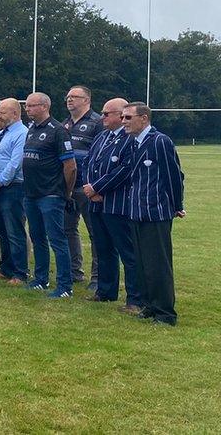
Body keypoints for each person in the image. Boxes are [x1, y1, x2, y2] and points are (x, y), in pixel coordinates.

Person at [121, 102, 184, 325]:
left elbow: (173, 175)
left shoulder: (159, 141)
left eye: (128, 118)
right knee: (142, 262)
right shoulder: (133, 143)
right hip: (136, 211)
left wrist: (177, 204)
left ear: (144, 118)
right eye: (123, 117)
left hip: (156, 211)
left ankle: (165, 312)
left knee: (158, 263)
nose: (124, 122)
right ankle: (149, 304)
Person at [82, 98, 142, 313]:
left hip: (117, 203)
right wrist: (89, 187)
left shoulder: (130, 139)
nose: (103, 117)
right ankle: (105, 291)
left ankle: (135, 299)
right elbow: (87, 162)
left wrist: (98, 187)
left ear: (121, 115)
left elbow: (125, 170)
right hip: (96, 204)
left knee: (128, 252)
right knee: (103, 248)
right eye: (103, 113)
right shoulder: (101, 137)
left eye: (107, 113)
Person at [22, 92, 77, 299]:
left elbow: (70, 166)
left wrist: (65, 192)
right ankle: (40, 279)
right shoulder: (31, 130)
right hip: (31, 193)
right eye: (26, 106)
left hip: (51, 194)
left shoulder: (58, 131)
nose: (27, 109)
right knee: (37, 237)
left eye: (31, 106)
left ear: (44, 106)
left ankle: (65, 286)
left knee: (57, 239)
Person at [0, 98, 30, 285]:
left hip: (13, 188)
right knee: (2, 230)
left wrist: (0, 182)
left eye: (2, 112)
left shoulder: (22, 133)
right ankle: (6, 267)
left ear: (15, 114)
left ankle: (20, 272)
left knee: (14, 230)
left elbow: (15, 163)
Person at [62, 85, 103, 288]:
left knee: (95, 233)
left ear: (87, 100)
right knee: (68, 229)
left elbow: (100, 156)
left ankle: (97, 278)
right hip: (68, 186)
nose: (69, 100)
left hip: (88, 187)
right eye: (68, 97)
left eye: (74, 97)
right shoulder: (65, 124)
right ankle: (73, 271)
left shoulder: (97, 122)